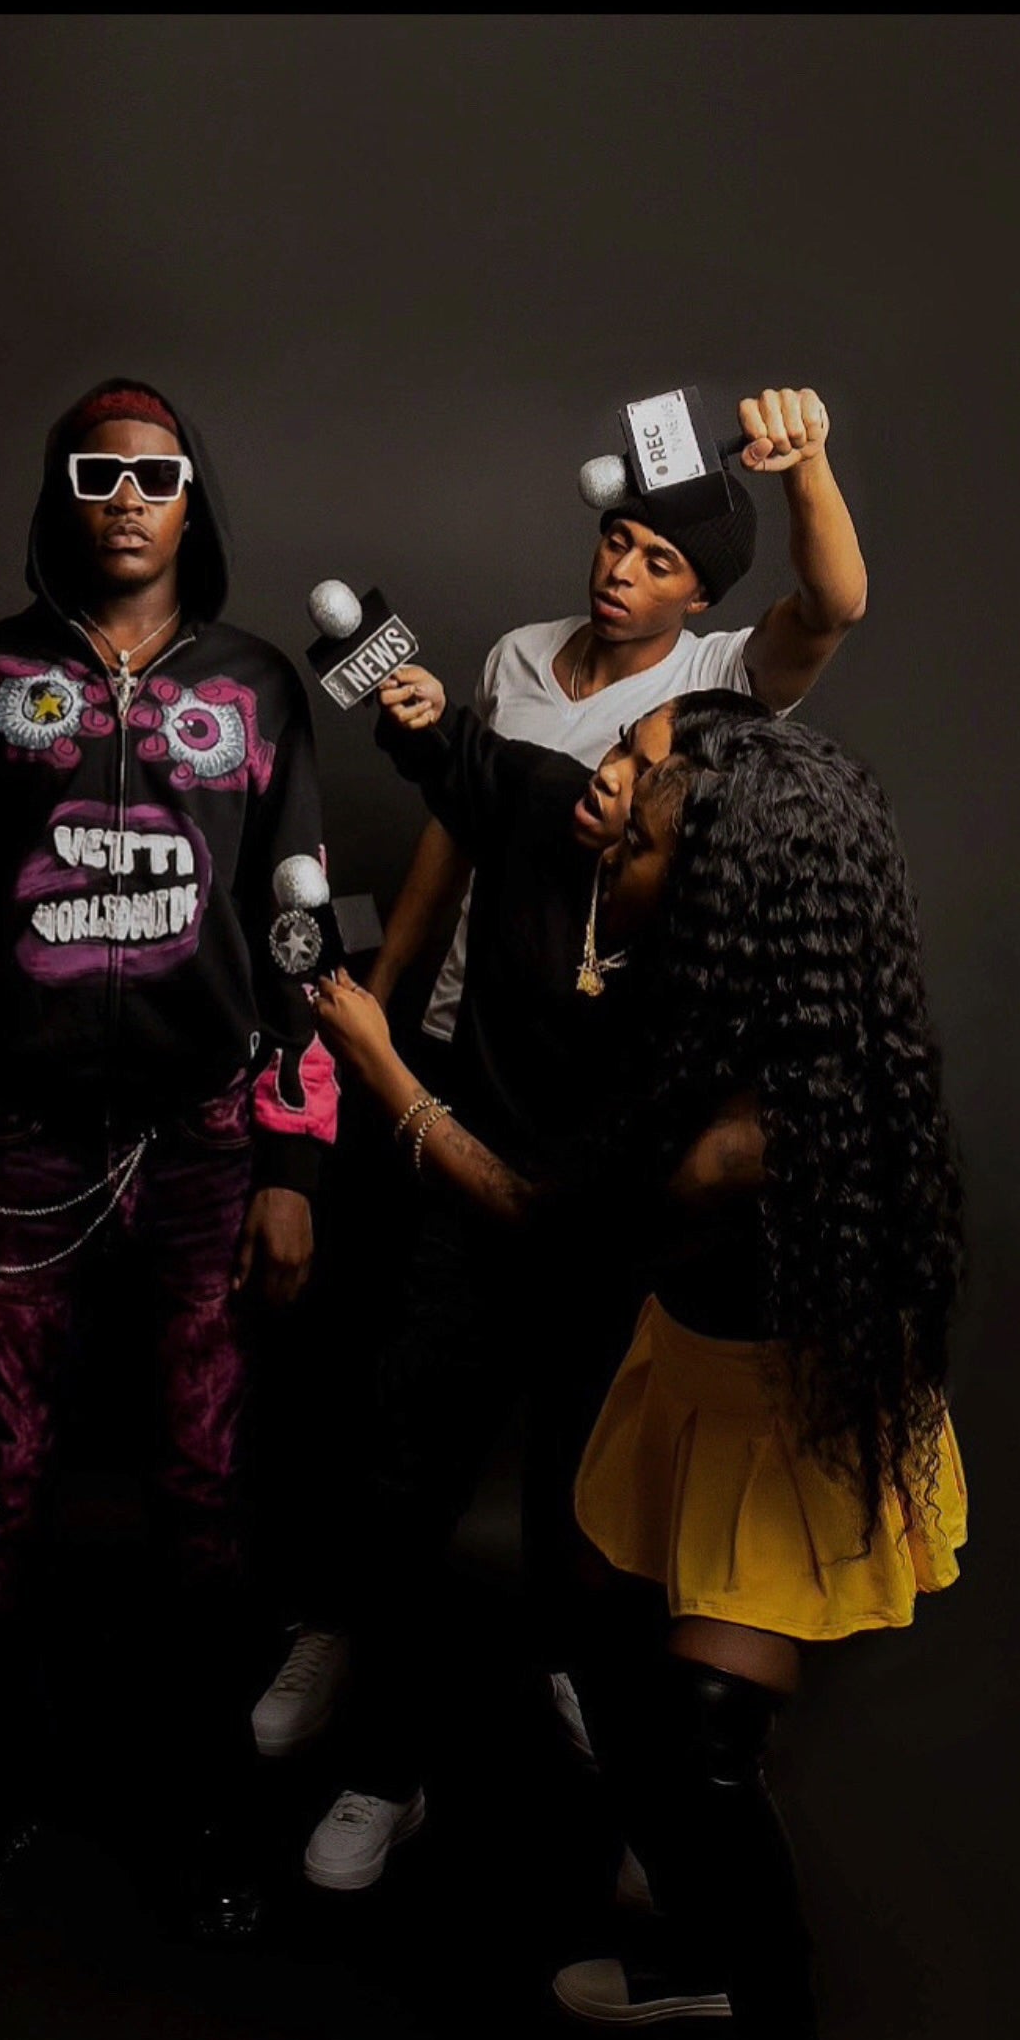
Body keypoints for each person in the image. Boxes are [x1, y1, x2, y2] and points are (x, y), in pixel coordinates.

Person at [313, 695, 967, 2040]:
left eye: (649, 804)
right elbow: (521, 795)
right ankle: (691, 1944)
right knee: (598, 1638)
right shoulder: (722, 982)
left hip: (782, 1424)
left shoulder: (744, 1131)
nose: (617, 802)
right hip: (687, 1368)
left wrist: (387, 1074)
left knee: (702, 1734)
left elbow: (535, 1217)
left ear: (724, 876)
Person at [258, 386, 868, 1759]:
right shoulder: (520, 665)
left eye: (659, 558)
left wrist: (809, 463)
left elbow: (830, 604)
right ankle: (356, 1631)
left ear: (700, 595)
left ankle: (572, 1659)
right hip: (466, 1041)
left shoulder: (716, 688)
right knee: (405, 1389)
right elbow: (461, 821)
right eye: (614, 539)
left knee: (578, 1426)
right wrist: (385, 1004)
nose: (621, 569)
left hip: (594, 1080)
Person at [0, 379, 334, 1941]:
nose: (125, 495)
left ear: (193, 497)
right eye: (96, 471)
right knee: (2, 1477)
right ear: (60, 493)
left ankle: (201, 1802)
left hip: (203, 1139)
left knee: (202, 1481)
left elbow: (296, 928)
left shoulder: (256, 687)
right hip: (15, 1133)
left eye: (155, 472)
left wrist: (293, 1159)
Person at [279, 680, 765, 1896]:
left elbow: (557, 1214)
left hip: (605, 1258)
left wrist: (388, 1077)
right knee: (399, 1485)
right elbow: (449, 753)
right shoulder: (547, 798)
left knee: (584, 1536)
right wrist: (407, 702)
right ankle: (384, 1765)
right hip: (465, 1227)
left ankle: (647, 1803)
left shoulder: (715, 975)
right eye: (619, 747)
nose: (607, 772)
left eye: (642, 773)